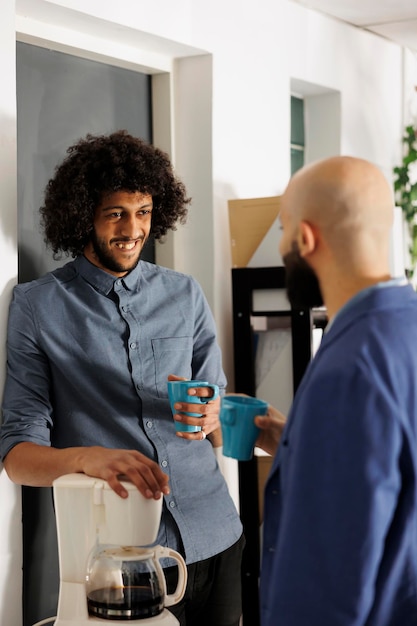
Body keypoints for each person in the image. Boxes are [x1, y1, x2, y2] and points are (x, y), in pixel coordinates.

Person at [0, 130, 244, 626]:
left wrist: (216, 412)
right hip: (120, 555)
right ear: (83, 215)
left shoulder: (185, 294)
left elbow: (218, 420)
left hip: (216, 532)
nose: (134, 230)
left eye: (144, 212)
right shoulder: (37, 307)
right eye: (116, 213)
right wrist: (90, 458)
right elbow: (17, 459)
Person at [254, 156, 417, 626]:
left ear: (306, 238)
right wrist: (298, 440)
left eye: (283, 230)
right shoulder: (402, 327)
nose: (282, 245)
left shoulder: (350, 369)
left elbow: (327, 580)